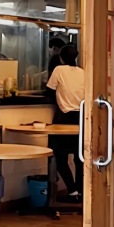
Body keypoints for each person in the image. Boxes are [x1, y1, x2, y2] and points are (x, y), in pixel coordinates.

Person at [45, 44, 85, 201]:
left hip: (64, 117)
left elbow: (50, 90)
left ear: (61, 58)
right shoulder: (83, 72)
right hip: (81, 117)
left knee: (59, 155)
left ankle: (72, 191)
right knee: (79, 157)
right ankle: (81, 192)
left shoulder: (59, 70)